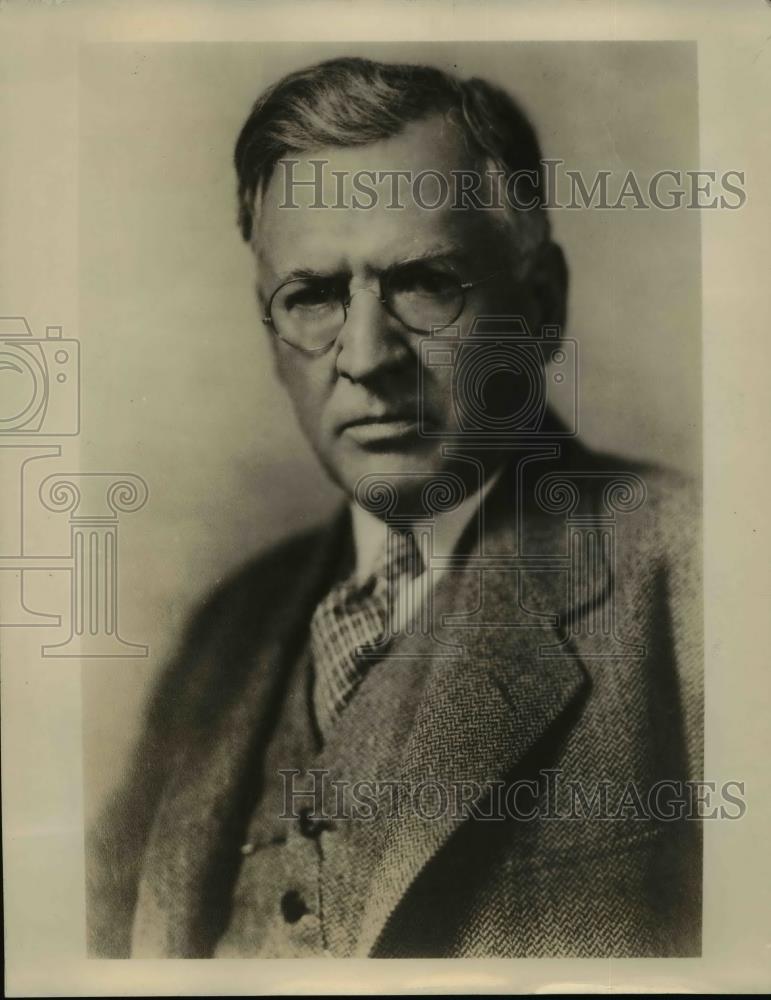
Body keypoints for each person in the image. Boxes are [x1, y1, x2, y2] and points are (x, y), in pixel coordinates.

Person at [87, 56, 702, 958]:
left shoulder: (698, 575)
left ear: (538, 307)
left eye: (423, 283)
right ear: (270, 330)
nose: (367, 355)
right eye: (313, 297)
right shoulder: (223, 639)